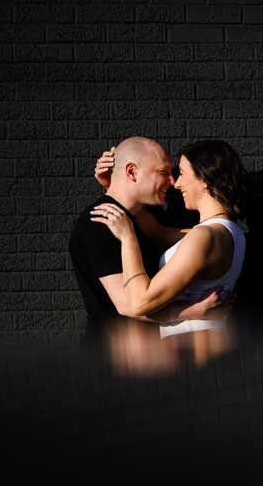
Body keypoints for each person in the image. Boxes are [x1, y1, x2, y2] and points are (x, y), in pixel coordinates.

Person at [91, 140, 248, 366]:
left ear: (205, 180)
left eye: (182, 173)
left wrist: (128, 239)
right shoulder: (226, 231)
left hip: (194, 353)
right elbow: (156, 232)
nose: (176, 183)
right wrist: (113, 188)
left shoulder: (204, 238)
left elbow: (139, 302)